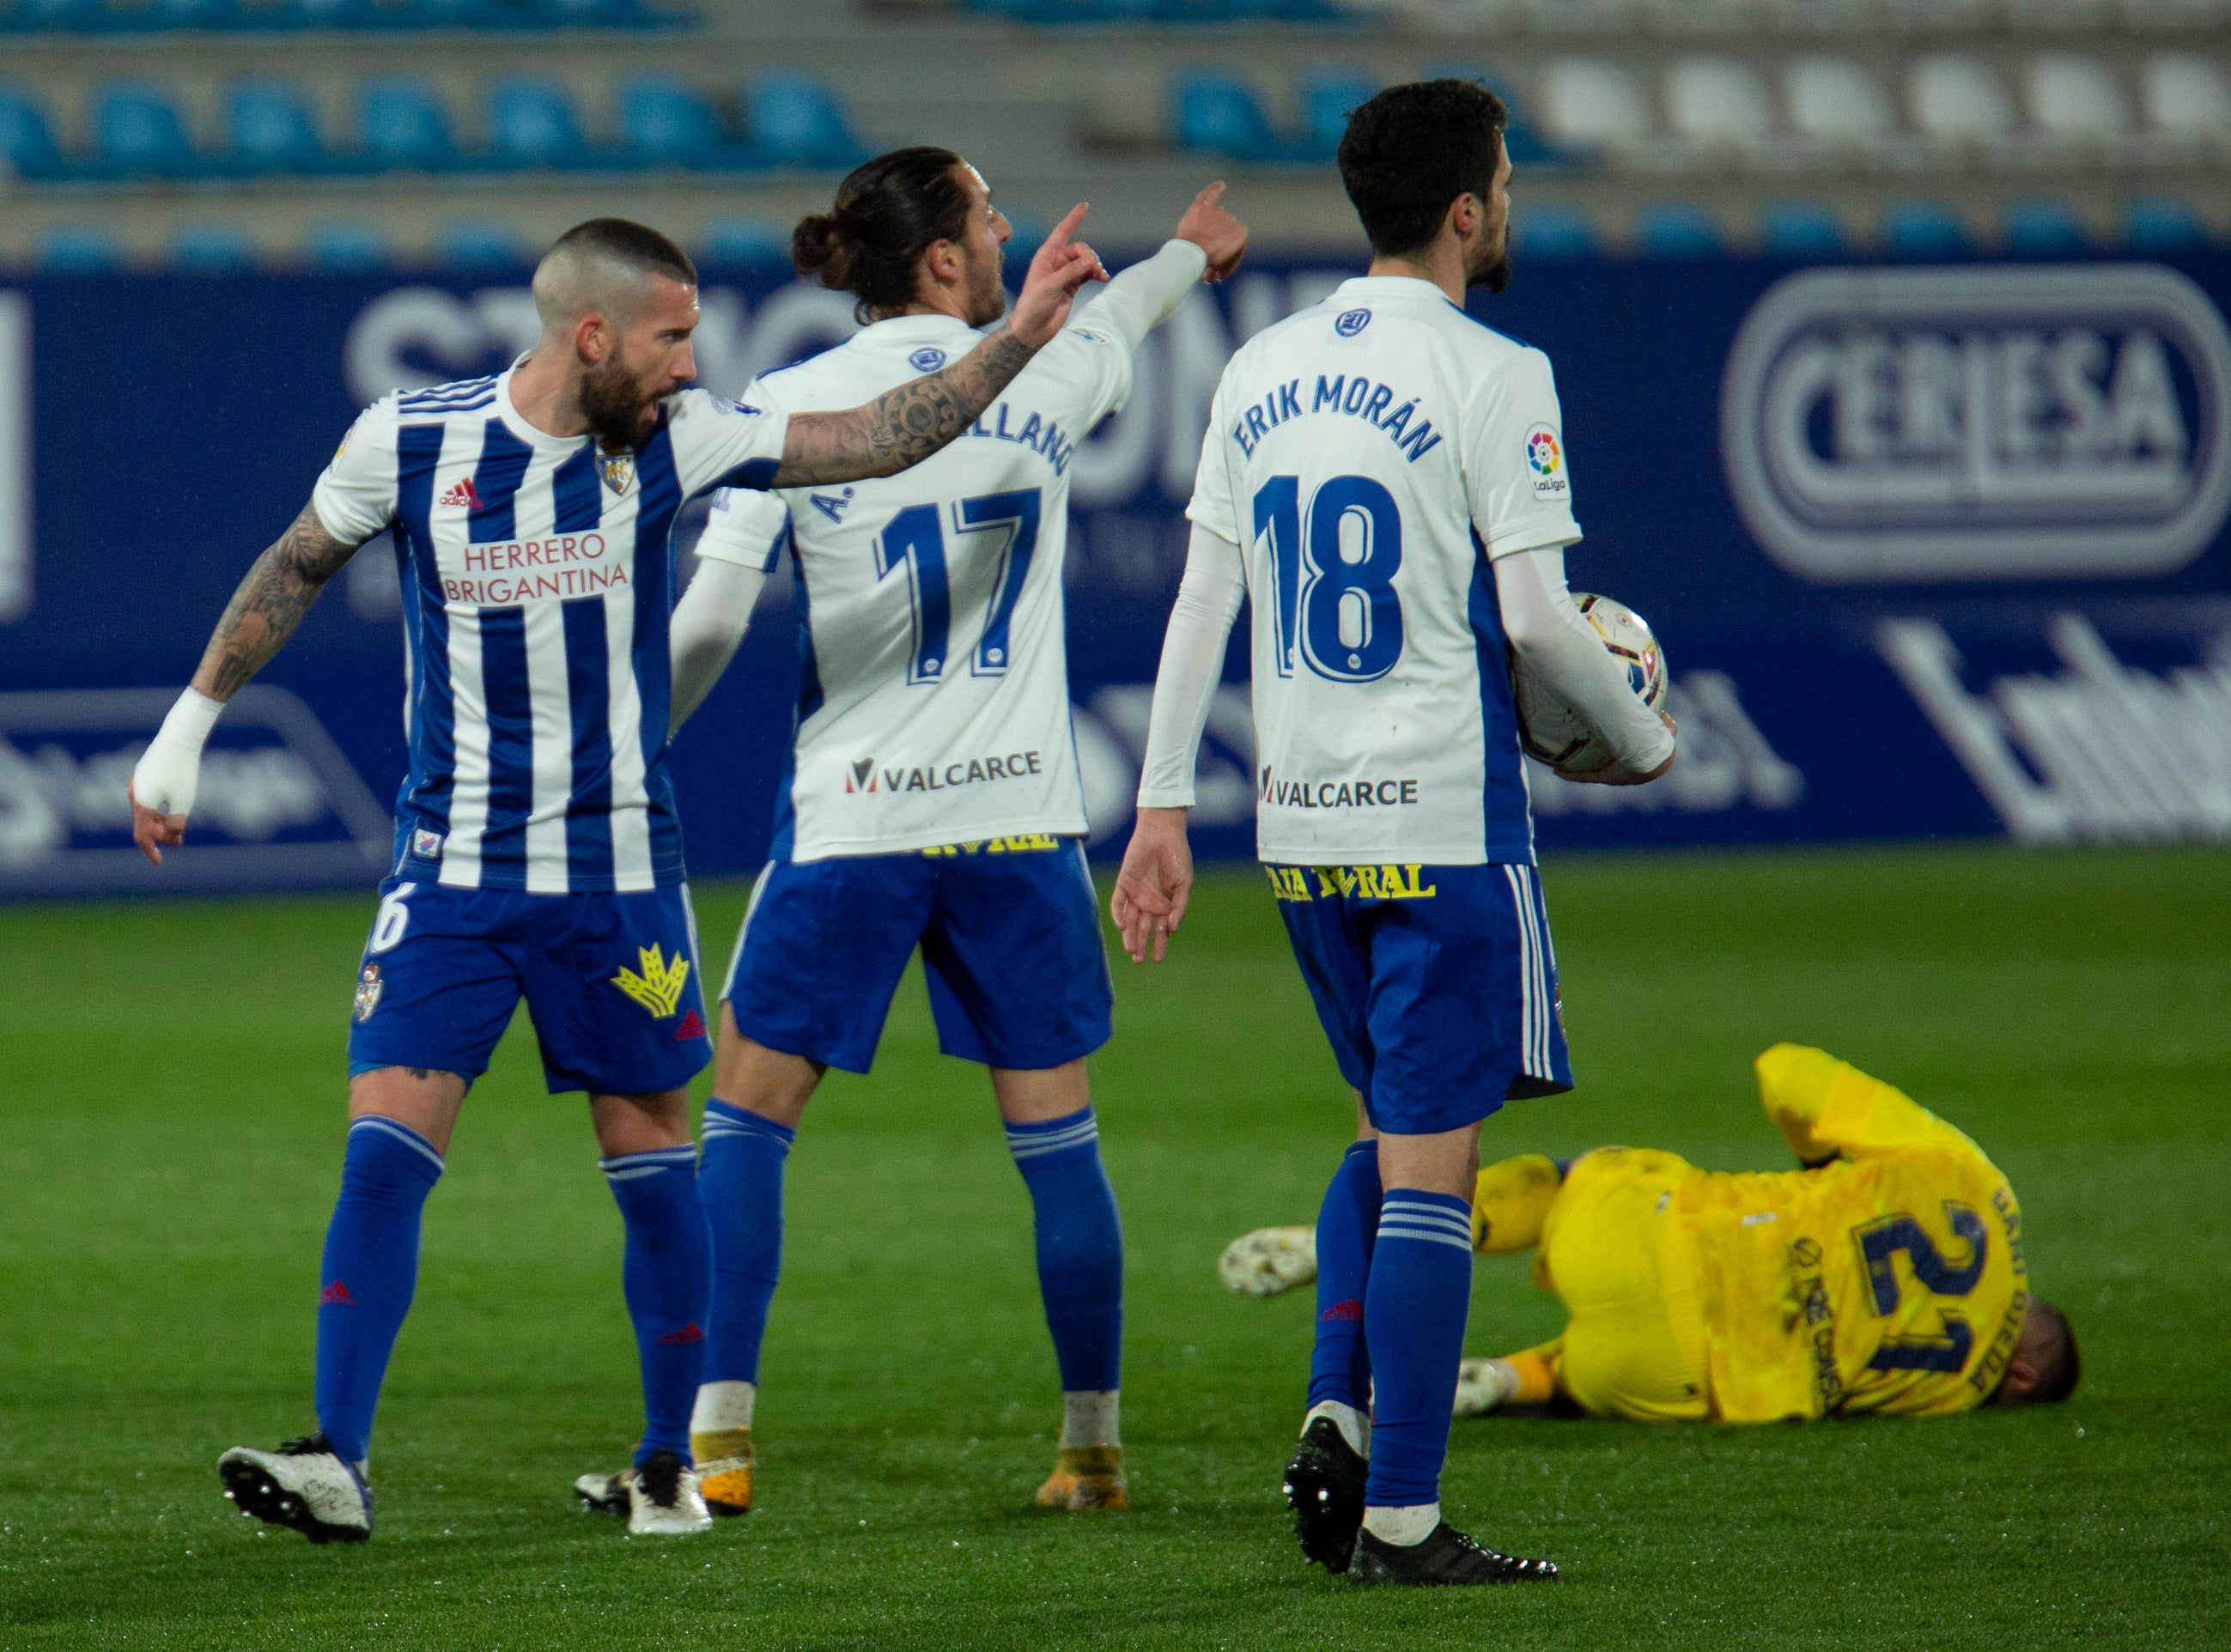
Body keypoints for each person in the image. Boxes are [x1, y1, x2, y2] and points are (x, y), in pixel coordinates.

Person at [125, 213, 1107, 1543]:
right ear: (590, 336)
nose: (690, 365)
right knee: (384, 1150)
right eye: (670, 338)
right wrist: (188, 725)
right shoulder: (413, 438)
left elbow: (878, 436)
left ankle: (664, 1466)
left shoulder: (678, 441)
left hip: (617, 872)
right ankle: (336, 1459)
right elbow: (297, 562)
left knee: (648, 1155)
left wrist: (1021, 335)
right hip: (452, 869)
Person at [572, 150, 1248, 1525]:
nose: (1003, 229)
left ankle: (717, 1446)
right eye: (988, 213)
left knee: (749, 1123)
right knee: (1057, 1141)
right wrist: (1189, 250)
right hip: (1015, 820)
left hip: (855, 819)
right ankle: (1092, 1450)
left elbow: (705, 619)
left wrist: (628, 760)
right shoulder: (1048, 371)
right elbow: (1127, 319)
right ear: (943, 258)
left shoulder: (791, 401)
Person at [1109, 80, 1677, 1586]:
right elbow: (1541, 623)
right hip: (1440, 820)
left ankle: (1334, 1404)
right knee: (1434, 1169)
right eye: (1504, 177)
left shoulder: (1258, 367)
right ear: (1468, 208)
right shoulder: (1498, 372)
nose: (1512, 199)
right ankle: (1403, 1521)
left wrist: (1163, 801)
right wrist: (1638, 738)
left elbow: (1201, 603)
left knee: (1379, 1132)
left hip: (1300, 827)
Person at [1219, 1045, 2079, 1425]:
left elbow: (1786, 1068)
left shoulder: (1973, 1180)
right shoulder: (1959, 1387)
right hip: (1673, 1380)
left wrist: (1824, 1165)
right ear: (2022, 1373)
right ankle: (1510, 1379)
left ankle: (1422, 1222)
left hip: (1653, 1234)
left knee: (1580, 1174)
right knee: (1591, 1366)